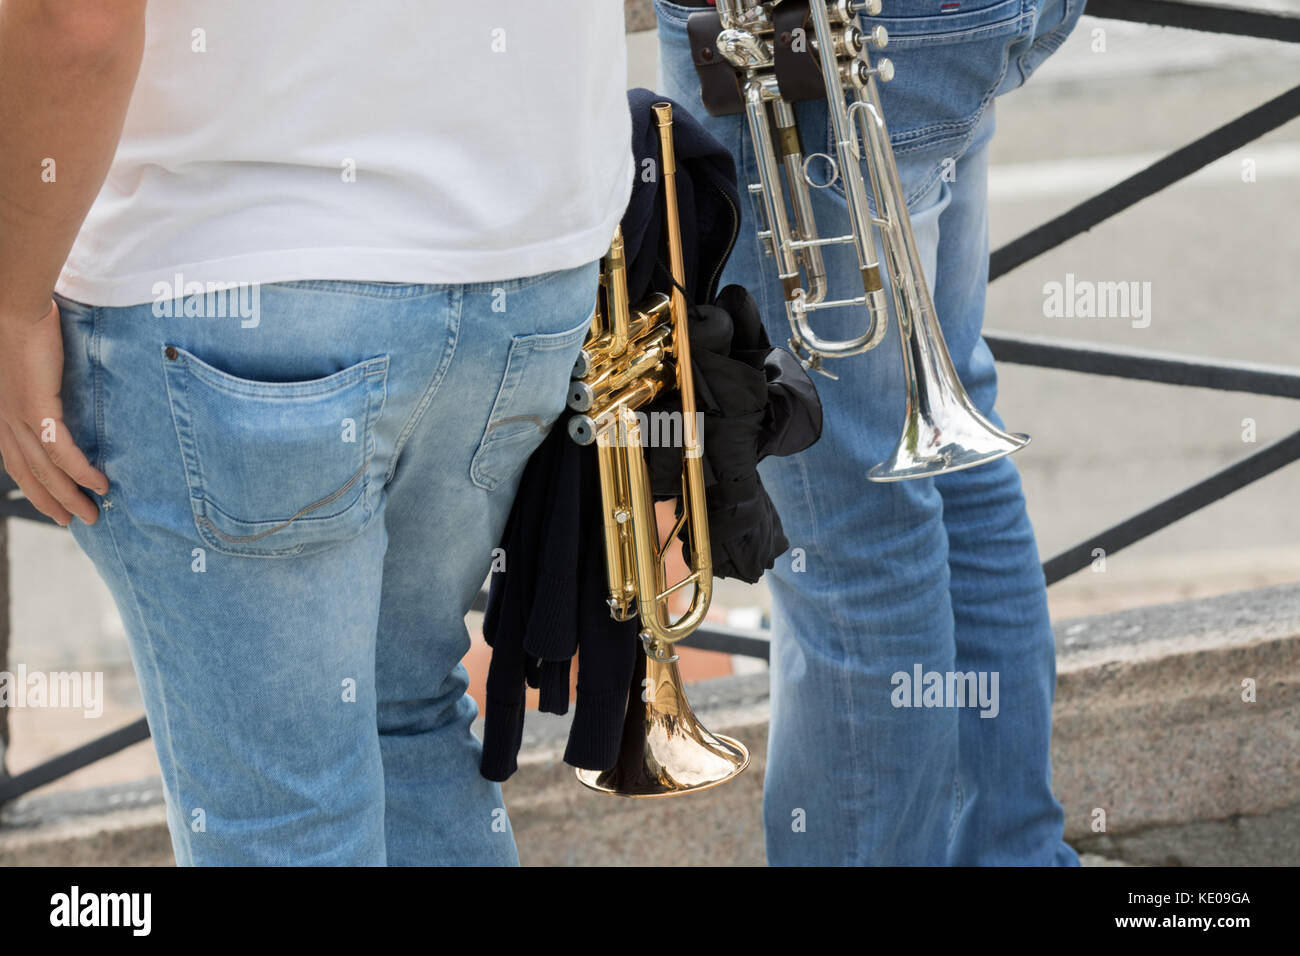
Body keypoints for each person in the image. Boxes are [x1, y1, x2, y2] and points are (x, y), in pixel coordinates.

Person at [0, 0, 632, 865]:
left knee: (280, 817)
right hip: (523, 267)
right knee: (402, 717)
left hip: (236, 281)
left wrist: (10, 298)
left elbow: (72, 16)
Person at [653, 0, 1086, 864]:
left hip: (811, 39)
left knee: (850, 523)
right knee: (950, 440)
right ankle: (1012, 854)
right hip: (963, 23)